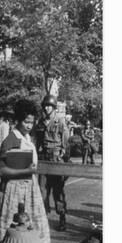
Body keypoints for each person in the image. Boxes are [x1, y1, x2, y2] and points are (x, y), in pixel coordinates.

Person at [0, 99, 51, 243]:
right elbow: (1, 170)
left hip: (29, 187)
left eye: (32, 122)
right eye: (26, 122)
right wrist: (23, 171)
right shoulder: (11, 140)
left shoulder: (28, 138)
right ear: (18, 120)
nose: (29, 126)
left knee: (31, 227)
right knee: (13, 231)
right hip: (14, 190)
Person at [35, 94, 70, 231]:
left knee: (58, 190)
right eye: (45, 106)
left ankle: (62, 218)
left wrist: (62, 151)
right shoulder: (40, 122)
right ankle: (44, 219)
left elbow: (66, 138)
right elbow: (37, 139)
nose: (47, 108)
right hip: (43, 157)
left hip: (56, 157)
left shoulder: (59, 121)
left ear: (54, 107)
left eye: (50, 106)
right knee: (43, 189)